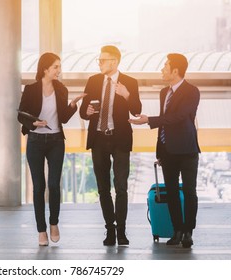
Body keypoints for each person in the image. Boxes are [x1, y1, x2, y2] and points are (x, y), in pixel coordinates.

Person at [129, 53, 200, 248]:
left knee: (189, 191)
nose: (162, 69)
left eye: (165, 66)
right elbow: (165, 122)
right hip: (168, 150)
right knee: (171, 192)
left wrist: (148, 120)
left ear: (175, 70)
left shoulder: (192, 91)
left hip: (186, 149)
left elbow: (178, 117)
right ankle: (177, 231)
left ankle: (188, 232)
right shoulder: (163, 92)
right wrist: (160, 150)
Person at [18, 52, 85, 246]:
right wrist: (34, 123)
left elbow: (63, 117)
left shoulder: (61, 88)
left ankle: (54, 223)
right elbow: (21, 115)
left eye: (59, 66)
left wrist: (73, 104)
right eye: (56, 66)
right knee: (39, 187)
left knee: (54, 185)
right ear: (45, 68)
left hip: (56, 141)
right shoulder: (30, 89)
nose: (59, 70)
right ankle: (41, 230)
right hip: (35, 142)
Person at [79, 45, 142, 246]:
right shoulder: (93, 81)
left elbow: (137, 110)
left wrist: (127, 95)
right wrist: (86, 111)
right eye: (99, 60)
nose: (99, 63)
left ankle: (121, 231)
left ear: (114, 61)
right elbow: (83, 112)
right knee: (103, 188)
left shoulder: (130, 82)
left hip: (120, 139)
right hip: (98, 139)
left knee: (121, 187)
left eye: (102, 60)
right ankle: (110, 230)